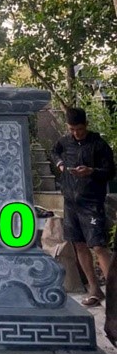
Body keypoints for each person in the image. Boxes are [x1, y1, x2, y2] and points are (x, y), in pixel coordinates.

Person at [50, 106, 115, 307]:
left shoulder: (98, 144)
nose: (76, 133)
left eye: (79, 129)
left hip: (91, 202)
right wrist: (60, 164)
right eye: (72, 129)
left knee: (98, 246)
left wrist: (91, 171)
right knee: (79, 244)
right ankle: (94, 289)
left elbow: (110, 171)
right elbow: (54, 152)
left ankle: (113, 292)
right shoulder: (64, 142)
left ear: (86, 125)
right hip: (71, 201)